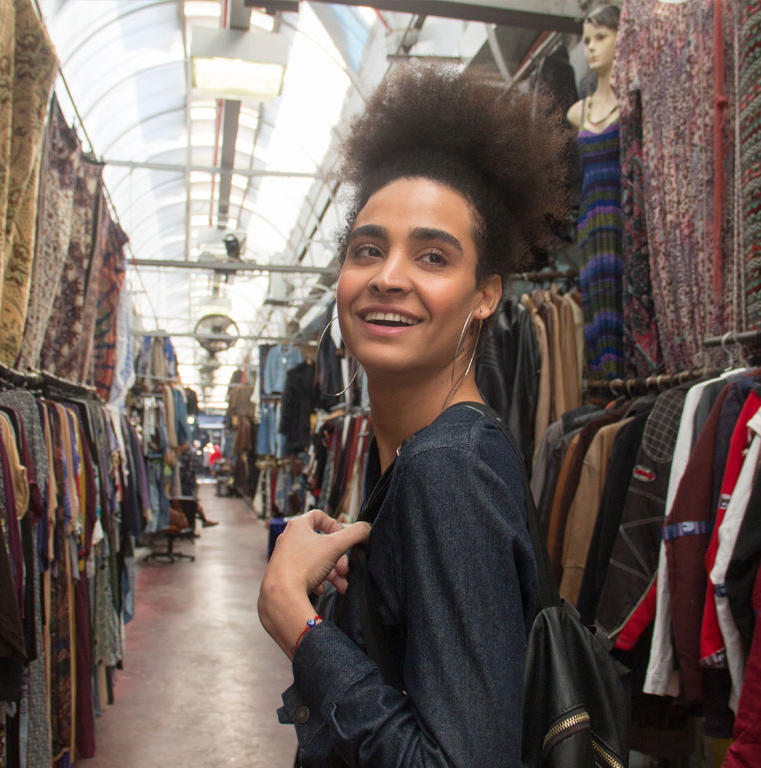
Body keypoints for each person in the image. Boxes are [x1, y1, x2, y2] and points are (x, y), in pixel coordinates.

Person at [257, 66, 570, 766]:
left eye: (432, 255)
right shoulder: (426, 453)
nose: (388, 275)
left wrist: (299, 624)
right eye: (368, 249)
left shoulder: (445, 468)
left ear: (485, 293)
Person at [565, 4, 624, 381]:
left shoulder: (632, 102)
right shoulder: (577, 112)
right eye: (587, 40)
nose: (591, 48)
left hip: (626, 218)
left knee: (628, 304)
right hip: (592, 227)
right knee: (598, 314)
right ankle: (609, 385)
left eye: (601, 37)